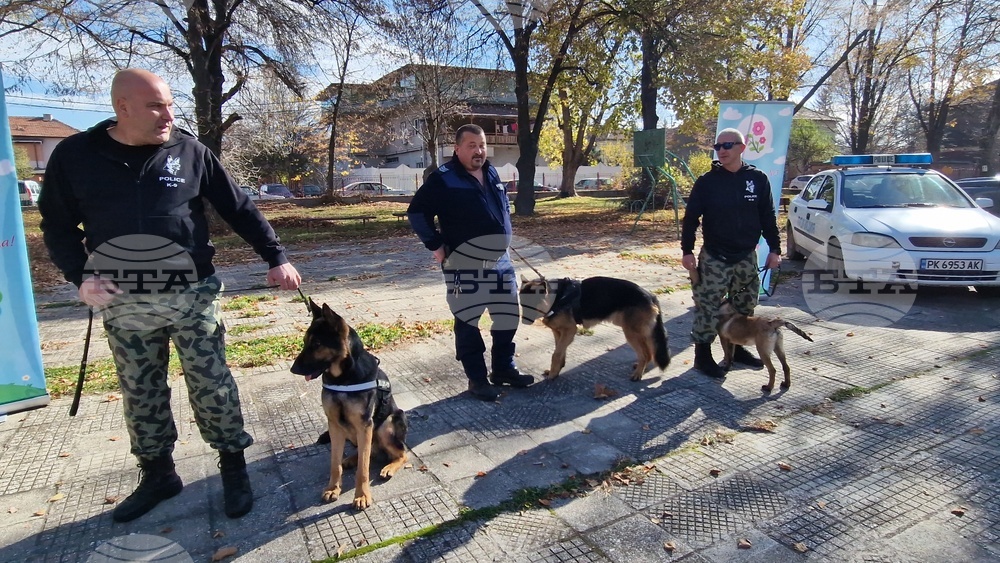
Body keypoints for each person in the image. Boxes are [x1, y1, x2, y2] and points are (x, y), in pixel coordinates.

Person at [38, 69, 301, 523]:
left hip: (191, 292)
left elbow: (238, 206)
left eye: (170, 104)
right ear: (122, 107)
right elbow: (56, 224)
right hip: (123, 297)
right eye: (155, 106)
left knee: (211, 382)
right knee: (140, 390)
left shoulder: (189, 150)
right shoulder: (76, 155)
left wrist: (275, 256)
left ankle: (233, 467)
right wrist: (80, 275)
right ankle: (158, 473)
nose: (168, 115)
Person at [407, 124, 532, 401]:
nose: (479, 150)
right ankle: (476, 379)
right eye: (472, 145)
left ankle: (503, 368)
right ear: (457, 148)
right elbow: (417, 213)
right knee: (468, 322)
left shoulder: (490, 171)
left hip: (501, 262)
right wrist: (437, 247)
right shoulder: (444, 178)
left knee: (507, 316)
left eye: (482, 145)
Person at [680, 128, 781, 378]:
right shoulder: (707, 182)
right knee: (707, 305)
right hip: (715, 256)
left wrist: (775, 249)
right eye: (718, 146)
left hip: (746, 255)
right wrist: (687, 250)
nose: (722, 150)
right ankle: (702, 356)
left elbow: (767, 216)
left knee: (745, 306)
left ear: (741, 148)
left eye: (728, 145)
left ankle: (737, 350)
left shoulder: (757, 179)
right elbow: (691, 218)